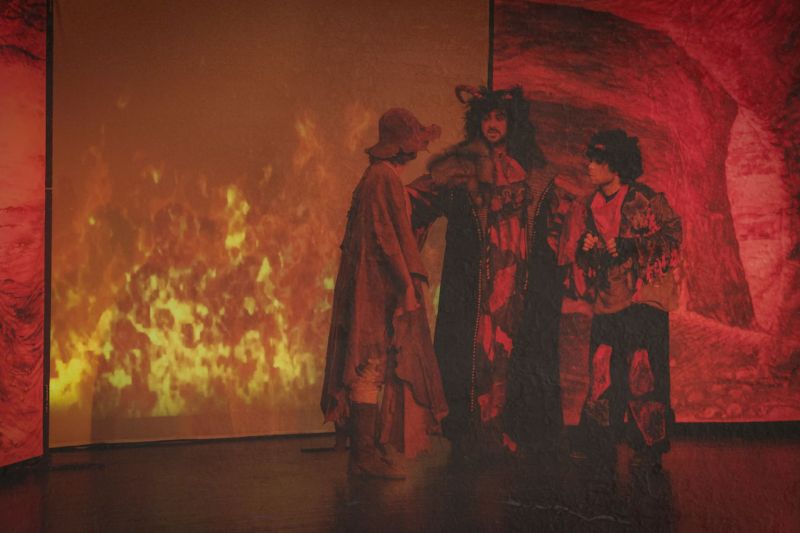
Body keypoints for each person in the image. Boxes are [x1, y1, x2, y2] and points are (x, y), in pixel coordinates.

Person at [407, 86, 574, 461]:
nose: (493, 124)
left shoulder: (531, 170)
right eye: (487, 117)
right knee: (476, 352)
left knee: (513, 353)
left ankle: (509, 430)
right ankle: (475, 431)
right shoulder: (461, 167)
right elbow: (419, 197)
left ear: (512, 123)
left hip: (517, 282)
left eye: (500, 117)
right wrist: (390, 202)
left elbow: (562, 219)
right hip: (476, 284)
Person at [320, 108, 448, 479]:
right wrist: (406, 285)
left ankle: (368, 450)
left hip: (374, 283)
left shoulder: (379, 175)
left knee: (373, 362)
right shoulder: (383, 178)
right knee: (369, 363)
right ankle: (363, 455)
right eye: (414, 141)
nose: (418, 148)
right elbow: (387, 236)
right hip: (376, 286)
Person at [565, 129, 681, 468]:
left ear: (615, 164)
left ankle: (649, 444)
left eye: (597, 160)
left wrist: (633, 246)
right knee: (602, 369)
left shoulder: (643, 198)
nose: (589, 166)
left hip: (643, 300)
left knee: (642, 371)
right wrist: (587, 250)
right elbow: (590, 263)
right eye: (590, 159)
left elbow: (673, 236)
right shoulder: (590, 206)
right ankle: (601, 440)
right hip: (609, 299)